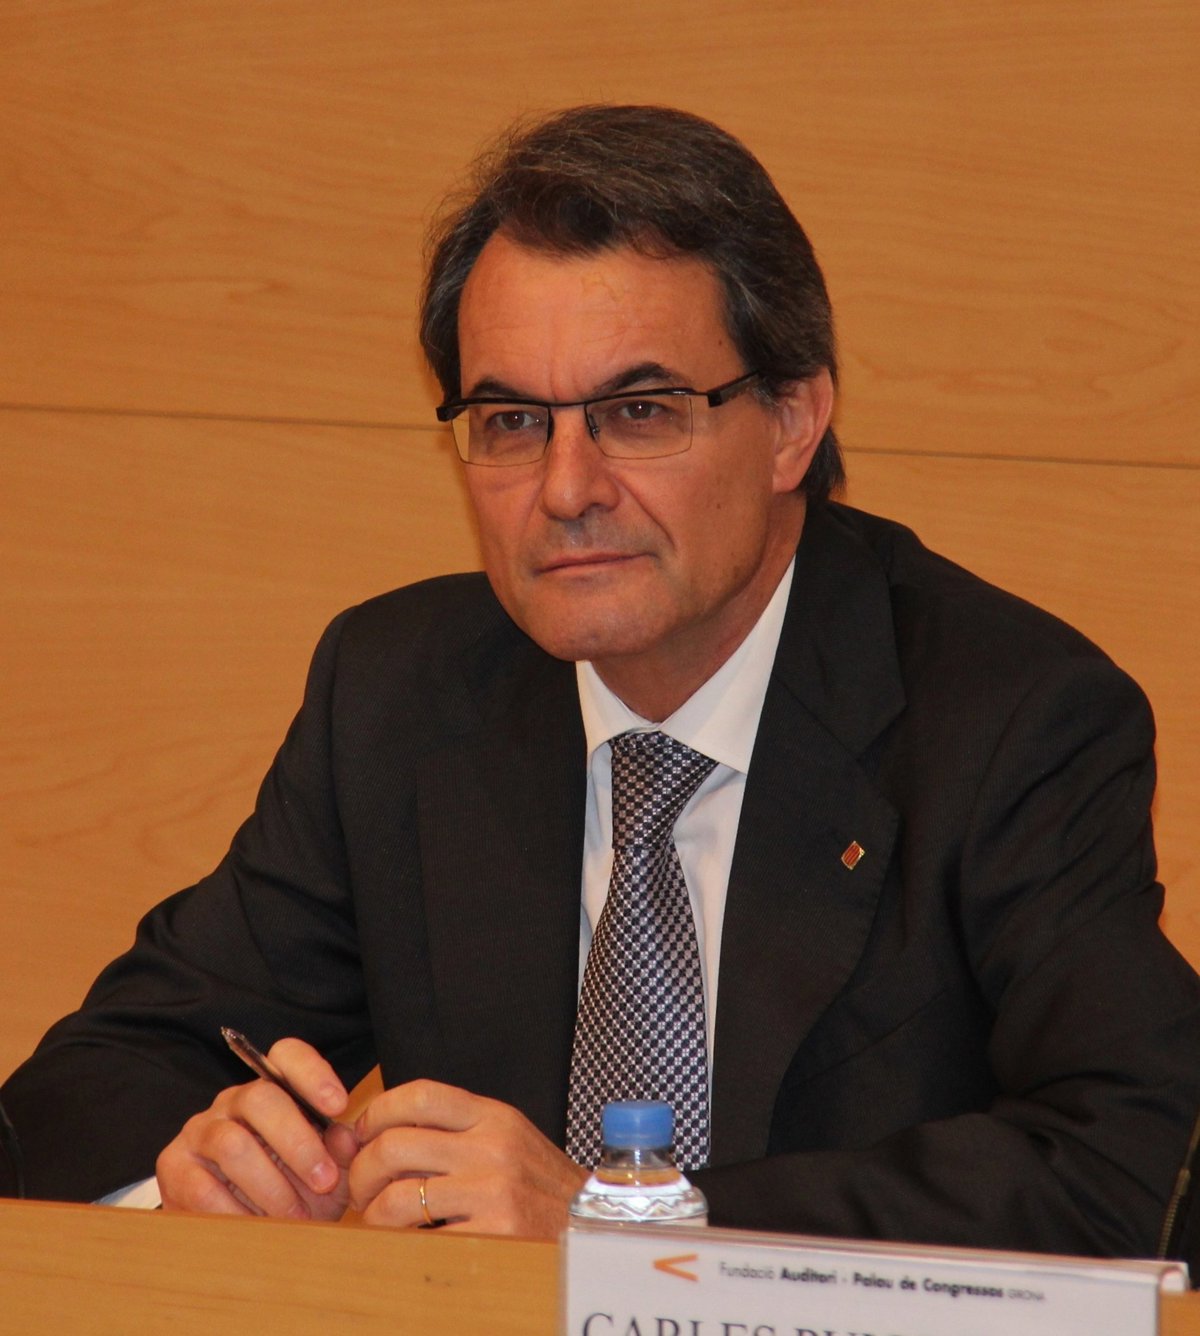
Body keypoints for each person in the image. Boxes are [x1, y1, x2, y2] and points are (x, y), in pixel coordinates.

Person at [3, 104, 1199, 1257]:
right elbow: (92, 1084)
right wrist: (198, 1176)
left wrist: (633, 1224)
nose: (567, 489)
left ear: (793, 421)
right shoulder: (401, 697)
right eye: (512, 421)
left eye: (638, 411)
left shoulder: (1008, 718)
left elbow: (1138, 1165)